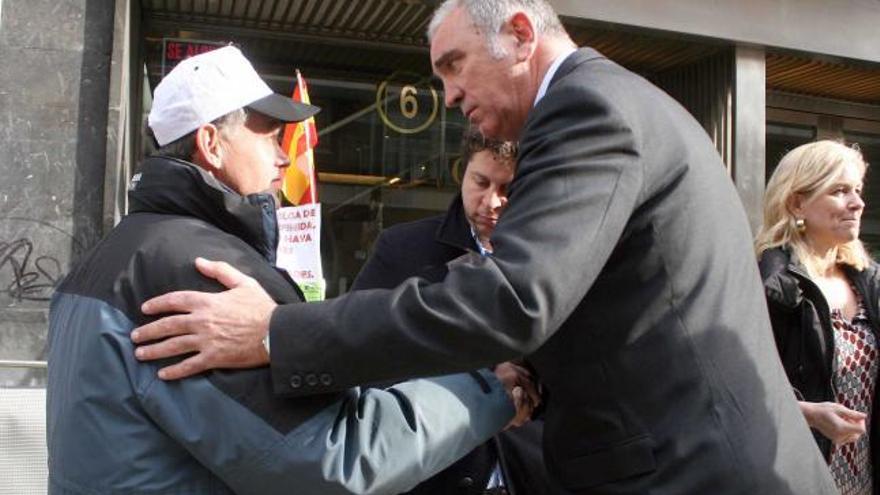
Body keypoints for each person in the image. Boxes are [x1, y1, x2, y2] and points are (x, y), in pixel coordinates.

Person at [130, 2, 837, 493]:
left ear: (522, 34)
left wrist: (276, 331)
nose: (447, 95)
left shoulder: (590, 110)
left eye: (454, 65)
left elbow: (515, 298)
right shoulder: (613, 105)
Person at [46, 46, 535, 495]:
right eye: (271, 137)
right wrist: (489, 392)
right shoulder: (202, 269)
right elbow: (335, 457)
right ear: (212, 144)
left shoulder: (106, 258)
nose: (284, 155)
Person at [352, 129, 566, 495]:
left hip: (540, 469)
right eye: (480, 181)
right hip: (435, 471)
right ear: (462, 172)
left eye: (508, 189)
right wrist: (478, 386)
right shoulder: (402, 250)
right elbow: (361, 358)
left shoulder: (565, 254)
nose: (491, 201)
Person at [756, 140, 878, 495]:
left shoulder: (870, 283)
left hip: (864, 480)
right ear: (797, 203)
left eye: (857, 190)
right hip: (794, 477)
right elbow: (733, 390)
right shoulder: (765, 286)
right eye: (840, 191)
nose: (858, 203)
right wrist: (807, 413)